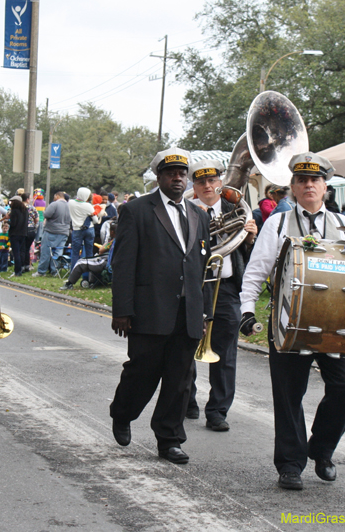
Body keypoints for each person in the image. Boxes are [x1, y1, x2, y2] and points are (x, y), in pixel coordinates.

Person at [238, 152, 345, 491]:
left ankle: (322, 449)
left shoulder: (343, 225)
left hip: (336, 323)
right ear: (292, 187)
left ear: (325, 186)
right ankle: (290, 464)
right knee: (288, 394)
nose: (309, 185)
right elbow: (255, 273)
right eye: (301, 180)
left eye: (315, 180)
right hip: (288, 322)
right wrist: (247, 310)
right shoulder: (276, 224)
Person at [109, 147, 211, 465]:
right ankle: (122, 412)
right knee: (143, 371)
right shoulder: (137, 210)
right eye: (171, 173)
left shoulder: (199, 215)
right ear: (159, 177)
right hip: (149, 309)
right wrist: (122, 310)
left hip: (188, 311)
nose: (177, 178)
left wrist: (205, 312)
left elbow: (203, 268)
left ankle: (169, 439)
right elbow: (123, 264)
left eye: (182, 173)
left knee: (181, 378)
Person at [185, 160, 257, 431]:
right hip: (194, 286)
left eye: (212, 180)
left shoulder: (235, 209)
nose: (207, 186)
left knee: (225, 352)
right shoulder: (186, 211)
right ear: (194, 185)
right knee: (187, 344)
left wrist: (249, 239)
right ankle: (186, 401)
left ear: (220, 181)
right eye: (201, 182)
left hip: (226, 287)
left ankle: (218, 411)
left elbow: (248, 257)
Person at [60, 224, 116, 290]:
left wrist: (109, 241)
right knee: (91, 260)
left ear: (112, 232)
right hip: (111, 261)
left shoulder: (114, 241)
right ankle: (92, 282)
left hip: (108, 263)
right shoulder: (122, 240)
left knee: (80, 263)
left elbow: (101, 250)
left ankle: (69, 284)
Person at [33, 191, 70, 276]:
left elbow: (47, 214)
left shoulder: (54, 204)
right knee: (58, 252)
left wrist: (43, 212)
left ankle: (41, 271)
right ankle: (55, 271)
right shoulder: (68, 206)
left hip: (52, 231)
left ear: (57, 196)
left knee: (46, 251)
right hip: (64, 232)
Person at [68, 187, 96, 273]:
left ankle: (73, 274)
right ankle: (88, 274)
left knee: (75, 253)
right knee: (89, 253)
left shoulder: (70, 203)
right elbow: (95, 220)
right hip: (89, 229)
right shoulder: (88, 206)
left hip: (76, 229)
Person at [7, 195, 28, 276]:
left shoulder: (14, 211)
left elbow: (13, 223)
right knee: (21, 252)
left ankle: (17, 271)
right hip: (23, 233)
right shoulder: (25, 210)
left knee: (16, 253)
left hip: (15, 233)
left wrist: (8, 221)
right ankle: (21, 268)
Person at [21, 192, 39, 271]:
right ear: (27, 199)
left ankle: (21, 265)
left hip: (21, 229)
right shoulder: (32, 208)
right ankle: (27, 265)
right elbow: (37, 219)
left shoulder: (19, 207)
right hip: (31, 230)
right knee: (27, 248)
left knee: (22, 248)